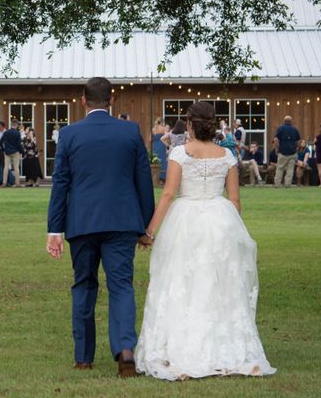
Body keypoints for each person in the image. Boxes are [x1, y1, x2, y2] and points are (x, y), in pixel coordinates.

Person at [135, 101, 276, 381]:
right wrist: (232, 230)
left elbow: (167, 195)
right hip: (219, 220)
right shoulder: (226, 155)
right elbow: (234, 200)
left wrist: (149, 231)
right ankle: (222, 347)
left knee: (183, 282)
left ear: (189, 124)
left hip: (185, 221)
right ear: (213, 125)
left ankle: (181, 347)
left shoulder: (180, 153)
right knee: (218, 284)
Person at [46, 77, 155, 377]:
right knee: (121, 285)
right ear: (111, 99)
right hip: (121, 222)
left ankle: (83, 357)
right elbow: (143, 182)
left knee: (84, 284)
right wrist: (146, 226)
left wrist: (54, 230)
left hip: (81, 222)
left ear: (83, 100)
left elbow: (60, 184)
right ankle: (125, 349)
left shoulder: (68, 134)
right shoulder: (130, 131)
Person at [273, 116, 301, 188]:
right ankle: (288, 184)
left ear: (284, 121)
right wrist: (296, 148)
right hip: (292, 152)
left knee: (280, 168)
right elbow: (298, 141)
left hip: (283, 152)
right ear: (291, 121)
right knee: (290, 169)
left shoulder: (281, 129)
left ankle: (277, 184)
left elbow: (276, 139)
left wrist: (276, 148)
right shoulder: (295, 130)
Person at [0, 119, 24, 187]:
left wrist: (3, 149)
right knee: (16, 168)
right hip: (15, 152)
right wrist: (22, 151)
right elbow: (19, 144)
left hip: (7, 152)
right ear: (16, 125)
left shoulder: (6, 132)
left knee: (6, 168)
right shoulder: (17, 133)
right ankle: (17, 183)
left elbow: (1, 142)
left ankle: (4, 183)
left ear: (11, 124)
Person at [151, 117, 167, 185]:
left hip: (155, 145)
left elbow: (150, 139)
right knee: (163, 160)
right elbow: (166, 136)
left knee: (156, 159)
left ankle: (156, 178)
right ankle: (162, 179)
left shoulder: (153, 129)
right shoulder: (163, 128)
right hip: (162, 145)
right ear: (162, 122)